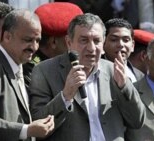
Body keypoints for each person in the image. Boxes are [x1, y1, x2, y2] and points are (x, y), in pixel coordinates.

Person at [29, 13, 145, 141]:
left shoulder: (114, 71)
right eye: (84, 40)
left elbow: (137, 121)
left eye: (96, 41)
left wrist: (124, 87)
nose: (91, 48)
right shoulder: (45, 71)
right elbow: (38, 126)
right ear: (69, 42)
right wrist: (65, 96)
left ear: (103, 44)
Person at [0, 9, 54, 141]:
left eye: (38, 40)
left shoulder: (23, 65)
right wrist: (27, 130)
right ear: (7, 36)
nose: (34, 47)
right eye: (28, 40)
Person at [23, 2, 83, 89]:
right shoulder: (33, 71)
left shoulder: (73, 59)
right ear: (53, 42)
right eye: (72, 39)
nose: (81, 45)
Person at [103, 18, 144, 82]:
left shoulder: (140, 77)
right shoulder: (94, 72)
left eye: (126, 40)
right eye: (114, 40)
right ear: (103, 42)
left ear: (132, 46)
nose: (121, 44)